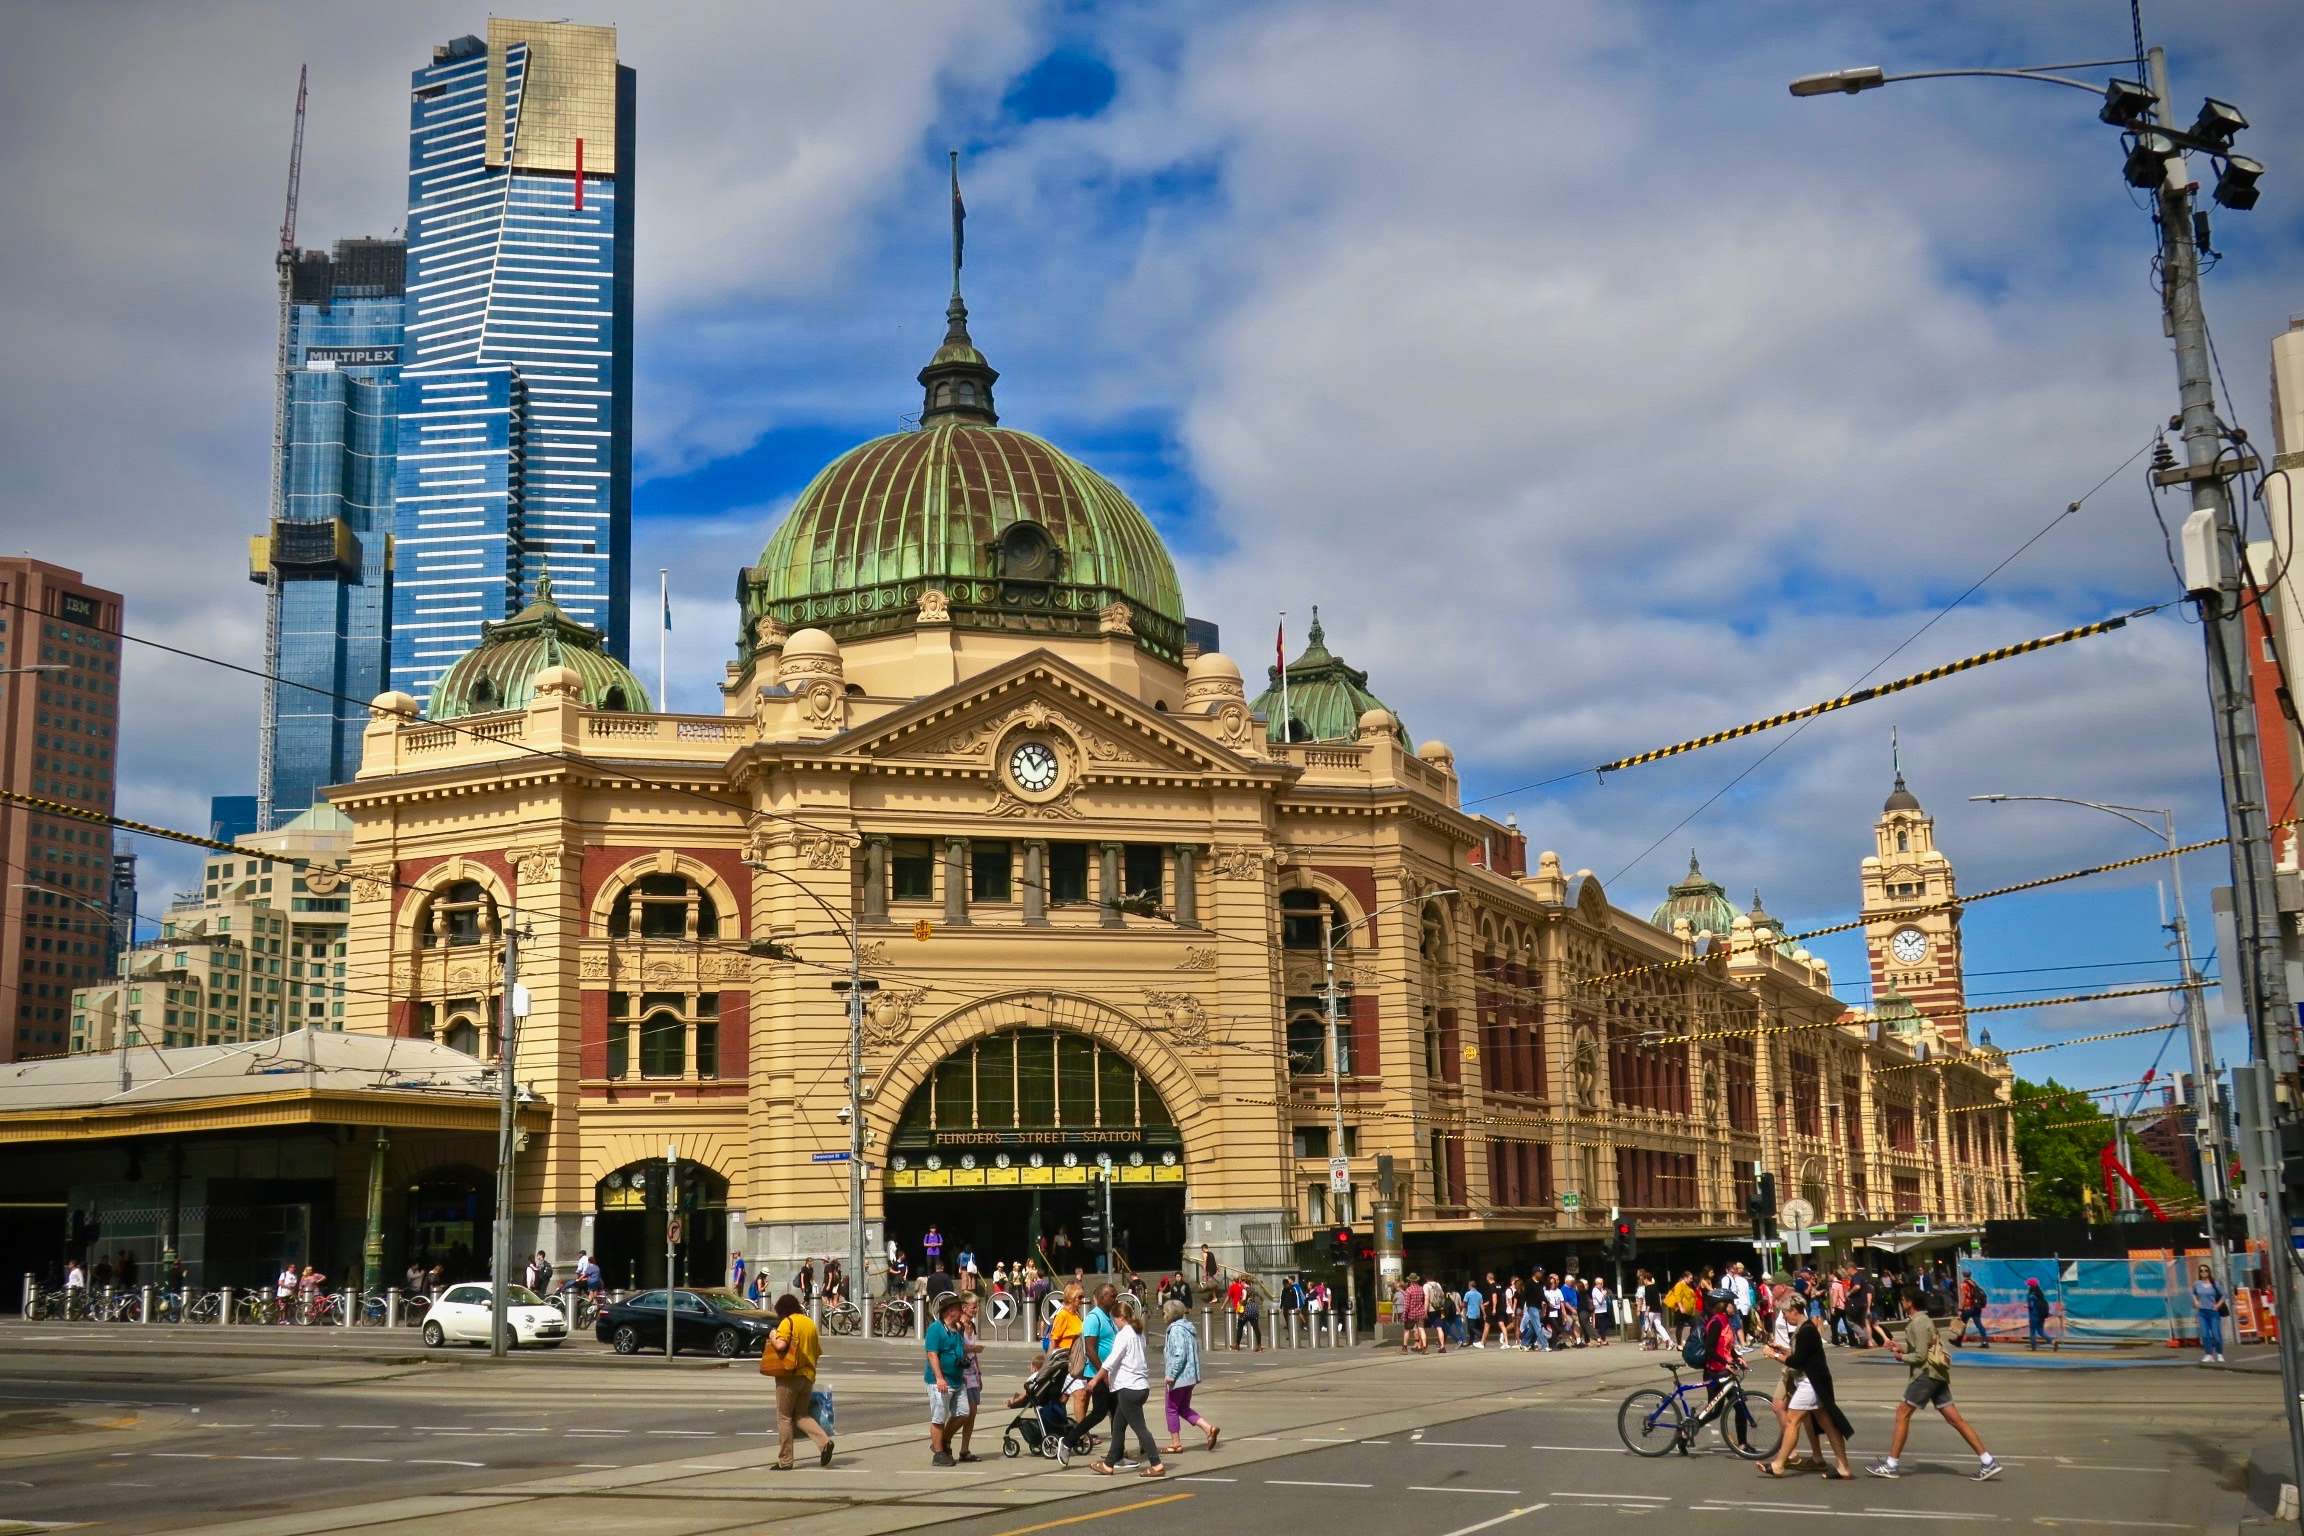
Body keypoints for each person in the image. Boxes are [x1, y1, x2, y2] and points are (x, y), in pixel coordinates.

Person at [1870, 1288, 2001, 1482]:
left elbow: (1920, 1356)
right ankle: (1987, 1460)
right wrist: (1900, 1348)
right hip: (1937, 1375)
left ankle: (1891, 1464)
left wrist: (1901, 1357)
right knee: (1955, 1419)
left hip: (1926, 1375)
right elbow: (1922, 1348)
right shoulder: (1924, 1320)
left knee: (1902, 1413)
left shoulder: (1918, 1323)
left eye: (1903, 1299)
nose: (1902, 1302)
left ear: (1910, 1302)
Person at [1763, 1296, 1853, 1479]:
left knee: (1791, 1421)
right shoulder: (1805, 1328)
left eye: (1786, 1313)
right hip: (1814, 1382)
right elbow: (1802, 1354)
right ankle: (1843, 1467)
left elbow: (1797, 1361)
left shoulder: (1806, 1331)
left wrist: (1774, 1355)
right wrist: (1782, 1350)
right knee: (1828, 1424)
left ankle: (1778, 1464)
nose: (1785, 1317)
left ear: (1794, 1311)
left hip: (1809, 1383)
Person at [1089, 1295, 1165, 1477]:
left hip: (1128, 1388)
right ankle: (1108, 1464)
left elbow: (1111, 1360)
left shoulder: (1124, 1335)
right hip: (1140, 1386)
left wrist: (1095, 1379)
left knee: (1140, 1428)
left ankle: (1156, 1464)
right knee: (1118, 1426)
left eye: (1115, 1320)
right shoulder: (1138, 1333)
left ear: (1121, 1318)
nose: (1114, 1324)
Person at [761, 1293, 835, 1469]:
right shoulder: (810, 1323)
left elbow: (780, 1345)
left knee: (784, 1417)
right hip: (807, 1377)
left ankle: (785, 1460)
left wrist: (773, 1335)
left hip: (789, 1376)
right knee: (801, 1415)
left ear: (782, 1310)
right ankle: (825, 1442)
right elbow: (817, 1352)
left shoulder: (788, 1322)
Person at [1160, 1297, 1219, 1454]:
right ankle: (1208, 1428)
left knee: (1171, 1408)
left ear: (1170, 1314)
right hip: (1190, 1377)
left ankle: (1175, 1443)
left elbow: (1179, 1354)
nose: (1163, 1315)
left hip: (1179, 1377)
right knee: (1183, 1408)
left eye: (1164, 1313)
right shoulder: (1187, 1328)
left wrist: (1171, 1375)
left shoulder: (1175, 1330)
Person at [922, 1292, 970, 1467]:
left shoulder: (956, 1329)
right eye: (959, 1308)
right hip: (941, 1382)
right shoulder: (936, 1329)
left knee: (963, 1413)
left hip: (957, 1379)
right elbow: (932, 1354)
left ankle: (943, 1441)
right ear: (950, 1311)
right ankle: (939, 1453)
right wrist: (939, 1378)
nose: (962, 1311)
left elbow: (959, 1350)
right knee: (939, 1417)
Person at [953, 1292, 986, 1461]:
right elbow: (957, 1347)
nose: (976, 1310)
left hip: (972, 1373)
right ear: (964, 1307)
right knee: (964, 1413)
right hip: (961, 1373)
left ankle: (964, 1449)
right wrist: (974, 1349)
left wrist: (979, 1374)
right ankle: (944, 1439)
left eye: (977, 1307)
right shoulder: (958, 1326)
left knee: (972, 1414)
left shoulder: (972, 1326)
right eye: (973, 1307)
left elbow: (974, 1355)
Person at [2193, 1262, 2228, 1363]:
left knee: (2216, 1334)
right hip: (2202, 1312)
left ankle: (2219, 1353)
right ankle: (2209, 1354)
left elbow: (2224, 1295)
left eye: (2206, 1270)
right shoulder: (2197, 1284)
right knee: (2205, 1335)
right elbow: (2193, 1293)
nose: (2204, 1272)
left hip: (2213, 1312)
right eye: (2201, 1271)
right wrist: (2196, 1301)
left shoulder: (2215, 1283)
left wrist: (2218, 1305)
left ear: (2209, 1272)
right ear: (2199, 1273)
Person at [1953, 1271, 1989, 1348]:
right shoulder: (1974, 1283)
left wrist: (1960, 1309)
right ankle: (1985, 1341)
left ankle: (1958, 1341)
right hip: (1976, 1307)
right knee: (1979, 1325)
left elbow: (1963, 1297)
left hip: (1967, 1308)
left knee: (1962, 1324)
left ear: (1963, 1275)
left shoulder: (1963, 1284)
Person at [1398, 1272, 1427, 1352]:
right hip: (1420, 1313)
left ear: (1410, 1281)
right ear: (1417, 1280)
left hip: (1411, 1314)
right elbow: (1423, 1301)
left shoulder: (1409, 1290)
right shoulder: (1421, 1289)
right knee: (1421, 1329)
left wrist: (1404, 1315)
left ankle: (1404, 1348)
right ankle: (1425, 1347)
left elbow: (1407, 1304)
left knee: (1407, 1330)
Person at [2024, 1276, 2054, 1352]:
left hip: (2034, 1316)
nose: (2028, 1286)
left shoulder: (2031, 1295)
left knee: (2032, 1332)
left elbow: (2031, 1306)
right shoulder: (2040, 1293)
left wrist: (2027, 1306)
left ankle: (2033, 1347)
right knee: (2041, 1331)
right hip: (2041, 1316)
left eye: (2028, 1285)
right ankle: (2051, 1341)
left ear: (2031, 1286)